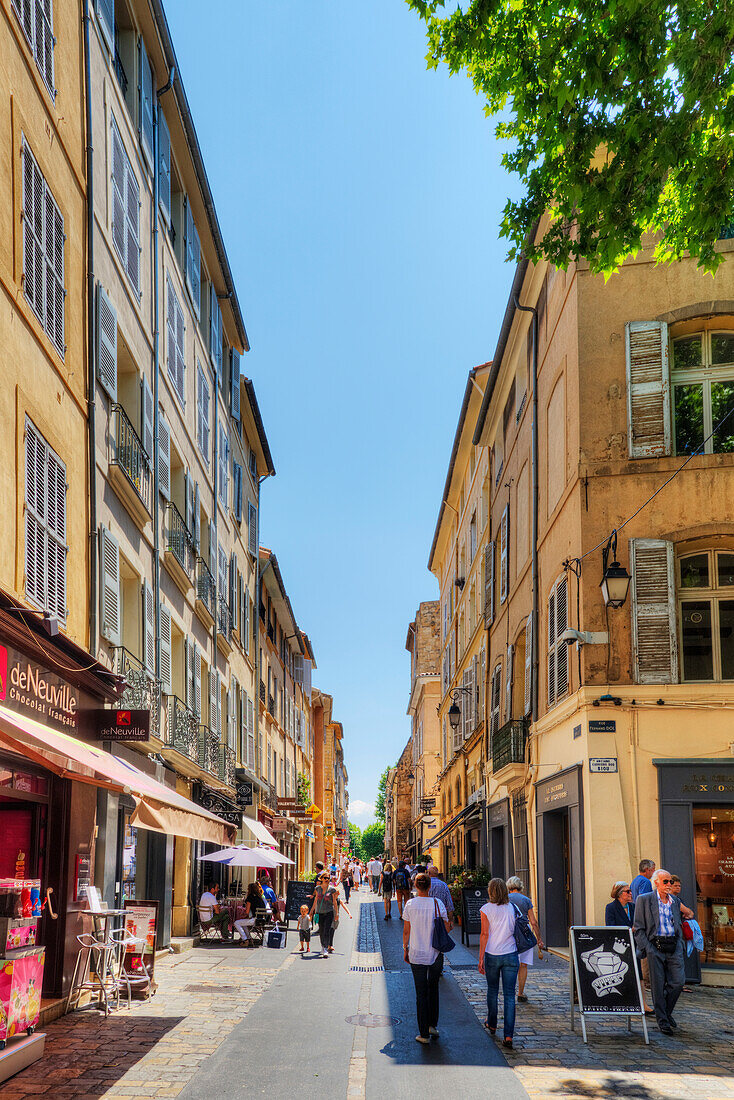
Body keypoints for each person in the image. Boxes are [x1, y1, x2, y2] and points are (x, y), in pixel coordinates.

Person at [633, 868, 685, 1035]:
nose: (669, 884)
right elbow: (639, 928)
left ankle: (666, 1012)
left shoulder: (675, 901)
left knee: (678, 982)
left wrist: (679, 944)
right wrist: (648, 950)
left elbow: (677, 924)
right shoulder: (644, 899)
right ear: (656, 883)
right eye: (666, 881)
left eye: (671, 881)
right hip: (654, 946)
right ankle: (663, 1021)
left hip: (673, 946)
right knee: (657, 985)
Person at [403, 872, 450, 1044]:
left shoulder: (410, 904)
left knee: (420, 993)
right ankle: (432, 1025)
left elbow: (406, 930)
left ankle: (423, 1034)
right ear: (430, 886)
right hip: (436, 952)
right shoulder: (437, 903)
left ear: (416, 886)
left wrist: (405, 948)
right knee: (434, 988)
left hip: (416, 952)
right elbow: (447, 926)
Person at [478, 877, 519, 1048]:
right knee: (510, 995)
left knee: (493, 991)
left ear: (490, 891)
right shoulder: (513, 908)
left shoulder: (486, 909)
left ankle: (492, 1023)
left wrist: (480, 958)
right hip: (510, 954)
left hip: (492, 954)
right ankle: (508, 1036)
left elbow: (484, 934)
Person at [506, 876, 543, 1004]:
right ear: (520, 886)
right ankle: (520, 993)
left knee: (510, 964)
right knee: (523, 964)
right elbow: (533, 921)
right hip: (524, 933)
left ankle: (509, 992)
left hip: (508, 933)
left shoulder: (505, 899)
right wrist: (539, 939)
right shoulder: (526, 900)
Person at [310, 871, 339, 958]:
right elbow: (315, 900)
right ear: (321, 879)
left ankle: (325, 948)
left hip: (329, 912)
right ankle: (323, 946)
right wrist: (311, 911)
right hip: (319, 912)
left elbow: (334, 902)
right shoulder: (317, 889)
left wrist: (336, 913)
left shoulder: (332, 889)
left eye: (328, 878)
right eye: (325, 878)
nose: (327, 880)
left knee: (327, 930)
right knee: (321, 931)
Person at [233, 882, 262, 946]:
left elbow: (247, 912)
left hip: (254, 920)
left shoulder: (250, 898)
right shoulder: (259, 897)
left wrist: (242, 916)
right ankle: (248, 938)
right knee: (243, 923)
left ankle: (245, 940)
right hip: (261, 920)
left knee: (236, 923)